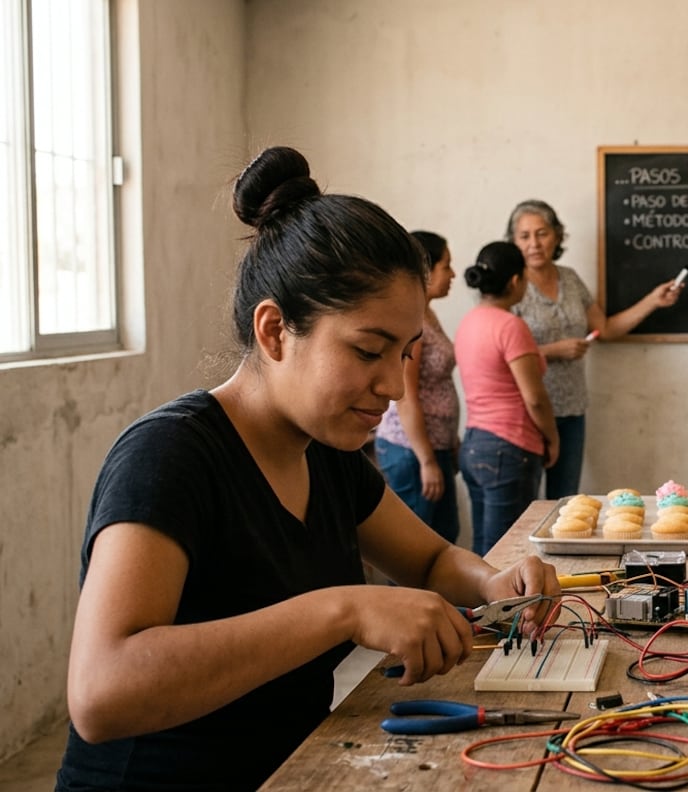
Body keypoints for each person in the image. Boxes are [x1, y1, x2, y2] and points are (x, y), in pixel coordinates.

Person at [57, 147, 559, 792]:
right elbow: (102, 694)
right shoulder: (170, 456)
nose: (392, 387)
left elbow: (432, 562)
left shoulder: (326, 454)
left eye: (403, 355)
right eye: (367, 351)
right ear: (274, 332)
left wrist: (495, 582)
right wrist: (343, 610)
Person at [506, 199, 681, 498]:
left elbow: (606, 328)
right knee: (523, 506)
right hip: (528, 409)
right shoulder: (510, 284)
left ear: (557, 236)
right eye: (524, 236)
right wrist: (551, 351)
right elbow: (501, 348)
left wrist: (653, 301)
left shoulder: (570, 279)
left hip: (573, 409)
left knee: (565, 501)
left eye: (542, 233)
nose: (534, 243)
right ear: (513, 241)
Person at [456, 241, 559, 556]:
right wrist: (552, 438)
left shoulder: (469, 321)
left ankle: (476, 607)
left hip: (474, 445)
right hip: (509, 448)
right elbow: (535, 398)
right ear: (516, 281)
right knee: (506, 554)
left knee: (483, 549)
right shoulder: (511, 326)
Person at [374, 231, 461, 543]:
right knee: (415, 546)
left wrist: (449, 440)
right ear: (425, 270)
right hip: (410, 451)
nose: (452, 274)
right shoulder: (413, 322)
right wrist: (427, 460)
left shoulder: (428, 312)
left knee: (445, 536)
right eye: (446, 266)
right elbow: (406, 395)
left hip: (433, 446)